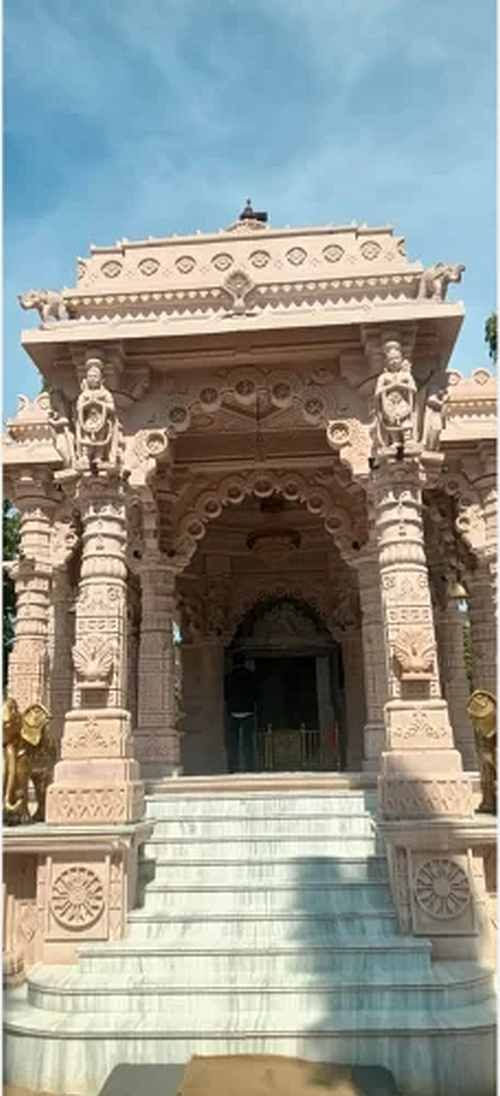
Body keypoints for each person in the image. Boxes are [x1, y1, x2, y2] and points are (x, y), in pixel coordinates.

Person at [225, 654, 257, 772]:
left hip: (233, 712)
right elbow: (255, 693)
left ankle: (233, 767)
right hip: (248, 711)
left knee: (233, 742)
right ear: (244, 662)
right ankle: (250, 767)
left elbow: (226, 695)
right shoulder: (251, 676)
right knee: (248, 742)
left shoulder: (228, 677)